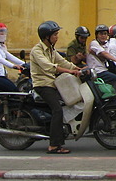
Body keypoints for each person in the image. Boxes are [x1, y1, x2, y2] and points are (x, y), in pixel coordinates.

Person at [30, 21, 81, 154]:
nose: (57, 37)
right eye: (55, 35)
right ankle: (54, 145)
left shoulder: (51, 49)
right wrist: (69, 71)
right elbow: (48, 66)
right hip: (43, 85)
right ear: (46, 36)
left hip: (53, 84)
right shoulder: (37, 50)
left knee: (69, 103)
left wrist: (78, 68)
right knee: (57, 110)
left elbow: (62, 61)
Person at [0, 22, 24, 92]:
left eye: (4, 33)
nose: (4, 35)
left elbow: (9, 56)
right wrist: (13, 66)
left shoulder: (2, 46)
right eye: (1, 34)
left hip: (0, 75)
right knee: (14, 90)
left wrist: (24, 64)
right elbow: (0, 59)